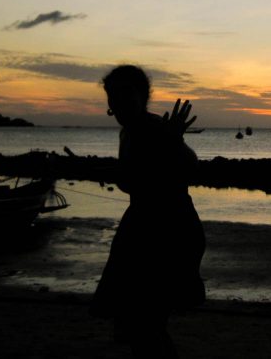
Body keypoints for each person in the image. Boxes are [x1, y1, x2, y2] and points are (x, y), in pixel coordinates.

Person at [90, 65, 206, 358]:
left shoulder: (156, 128)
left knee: (147, 325)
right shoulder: (127, 133)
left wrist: (174, 140)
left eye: (125, 95)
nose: (118, 104)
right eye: (112, 97)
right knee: (139, 326)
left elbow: (190, 168)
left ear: (143, 96)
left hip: (168, 232)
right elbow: (137, 179)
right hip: (140, 231)